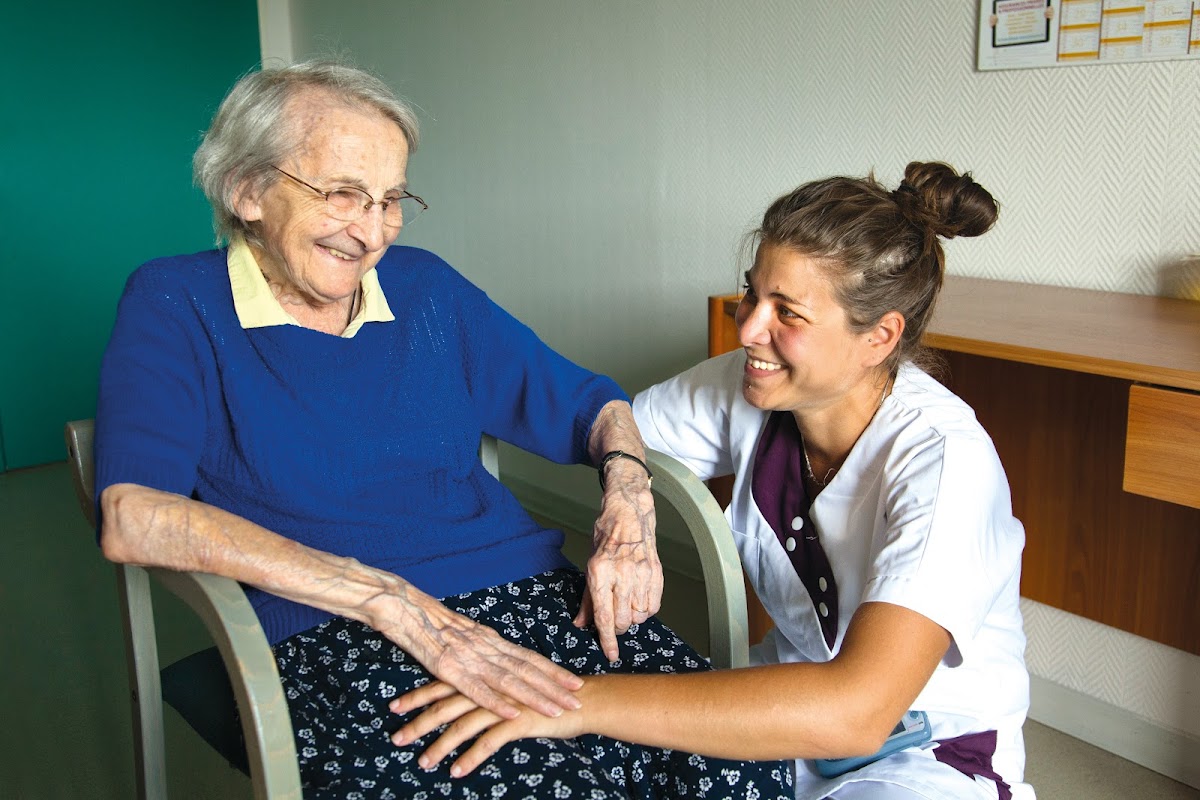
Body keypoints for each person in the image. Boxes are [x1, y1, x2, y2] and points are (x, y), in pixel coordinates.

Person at [94, 59, 793, 799]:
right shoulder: (176, 302)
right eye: (342, 194)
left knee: (747, 766)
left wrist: (628, 498)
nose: (371, 232)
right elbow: (135, 515)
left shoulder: (424, 288)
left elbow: (590, 403)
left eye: (391, 200)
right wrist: (387, 599)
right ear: (247, 190)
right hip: (334, 625)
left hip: (530, 594)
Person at [393, 162, 1035, 800]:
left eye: (788, 313)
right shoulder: (749, 385)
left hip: (926, 750)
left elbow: (858, 710)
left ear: (879, 337)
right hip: (787, 716)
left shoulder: (944, 463)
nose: (748, 327)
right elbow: (621, 433)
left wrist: (575, 703)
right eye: (752, 294)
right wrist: (628, 502)